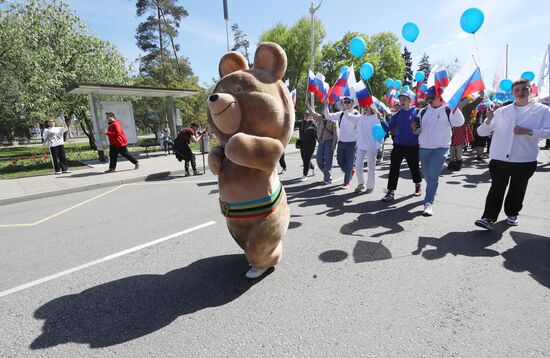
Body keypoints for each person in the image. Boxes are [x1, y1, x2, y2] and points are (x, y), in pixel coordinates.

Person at [474, 79, 550, 230]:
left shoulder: (543, 110)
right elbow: (481, 133)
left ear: (531, 91)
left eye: (524, 89)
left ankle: (512, 213)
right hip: (500, 158)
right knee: (496, 188)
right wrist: (488, 121)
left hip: (525, 159)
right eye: (517, 90)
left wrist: (530, 131)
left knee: (517, 188)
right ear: (512, 93)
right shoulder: (502, 111)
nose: (520, 93)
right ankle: (488, 218)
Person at [412, 86, 465, 216]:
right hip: (424, 147)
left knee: (433, 174)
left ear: (441, 98)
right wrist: (414, 129)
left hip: (441, 147)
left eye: (432, 97)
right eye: (428, 97)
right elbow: (417, 130)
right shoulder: (422, 112)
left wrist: (455, 107)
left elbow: (459, 122)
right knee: (427, 175)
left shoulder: (448, 110)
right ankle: (432, 188)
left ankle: (428, 202)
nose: (429, 100)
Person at [380, 92, 422, 201]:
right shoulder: (397, 115)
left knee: (414, 168)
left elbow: (421, 128)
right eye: (400, 99)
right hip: (398, 146)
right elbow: (388, 128)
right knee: (394, 169)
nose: (402, 101)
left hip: (413, 146)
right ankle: (391, 192)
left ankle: (418, 185)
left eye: (404, 99)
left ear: (409, 100)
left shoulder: (417, 112)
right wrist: (381, 119)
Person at [324, 95, 359, 189]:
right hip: (342, 142)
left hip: (352, 142)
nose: (346, 103)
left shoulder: (356, 113)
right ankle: (350, 170)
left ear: (353, 103)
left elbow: (358, 126)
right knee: (340, 161)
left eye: (348, 102)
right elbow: (328, 116)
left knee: (349, 162)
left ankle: (346, 182)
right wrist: (326, 106)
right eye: (345, 101)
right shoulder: (341, 114)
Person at [306, 98, 339, 184]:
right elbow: (312, 113)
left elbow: (336, 134)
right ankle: (327, 173)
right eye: (322, 109)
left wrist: (334, 144)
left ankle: (328, 178)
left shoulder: (333, 120)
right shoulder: (320, 118)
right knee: (319, 160)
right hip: (321, 141)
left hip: (329, 141)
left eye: (324, 109)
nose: (322, 111)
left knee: (328, 160)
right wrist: (308, 105)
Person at [448, 92, 483, 170]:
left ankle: (458, 162)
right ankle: (451, 162)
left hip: (461, 126)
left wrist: (481, 96)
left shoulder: (467, 105)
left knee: (459, 146)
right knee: (452, 146)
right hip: (451, 126)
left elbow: (474, 104)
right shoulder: (451, 104)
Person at [353, 104, 383, 193]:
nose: (365, 107)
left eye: (367, 105)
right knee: (358, 165)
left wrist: (380, 144)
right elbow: (349, 117)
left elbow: (380, 130)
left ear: (371, 107)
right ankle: (361, 183)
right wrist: (345, 108)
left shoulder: (376, 117)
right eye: (364, 106)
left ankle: (370, 186)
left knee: (371, 167)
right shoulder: (360, 118)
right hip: (361, 145)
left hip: (372, 145)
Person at [297, 111, 318, 181]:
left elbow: (317, 135)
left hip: (311, 144)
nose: (306, 116)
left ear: (310, 116)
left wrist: (320, 142)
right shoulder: (301, 123)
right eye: (305, 114)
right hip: (302, 143)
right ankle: (313, 167)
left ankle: (305, 175)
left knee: (306, 159)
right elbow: (292, 123)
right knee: (304, 159)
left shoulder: (313, 124)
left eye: (307, 115)